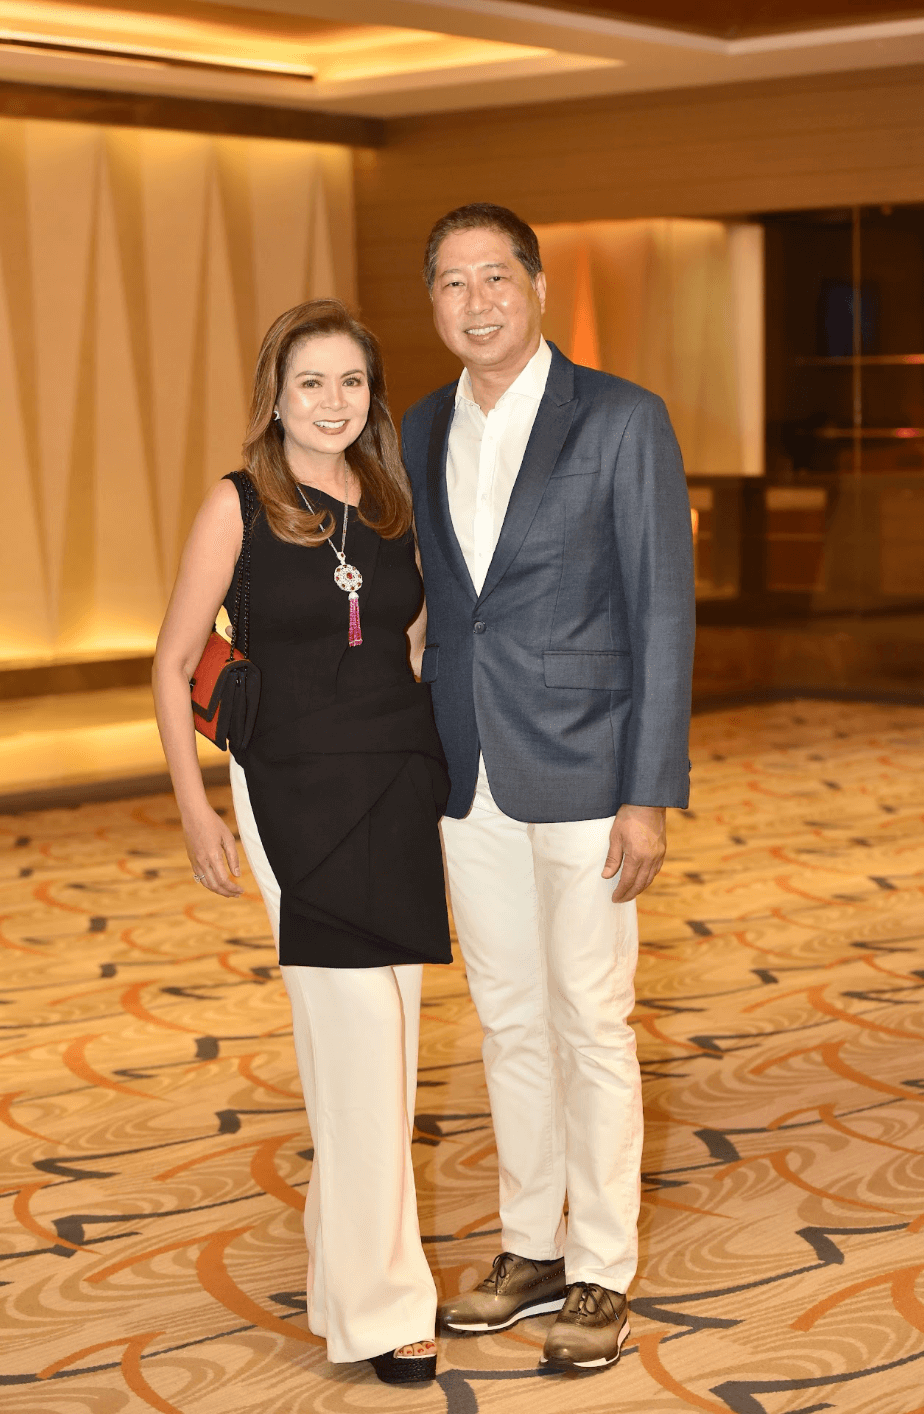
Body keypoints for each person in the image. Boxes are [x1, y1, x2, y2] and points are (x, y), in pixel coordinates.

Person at [400, 204, 695, 1374]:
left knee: (591, 1015)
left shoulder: (621, 418)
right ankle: (529, 1245)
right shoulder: (421, 425)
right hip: (464, 764)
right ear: (433, 304)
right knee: (508, 1015)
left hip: (589, 767)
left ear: (535, 284)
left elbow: (661, 607)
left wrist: (649, 788)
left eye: (494, 277)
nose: (476, 302)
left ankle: (601, 1269)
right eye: (451, 284)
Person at [153, 298, 452, 1386]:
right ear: (275, 394)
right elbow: (175, 659)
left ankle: (346, 1284)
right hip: (290, 796)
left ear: (372, 396)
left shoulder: (387, 501)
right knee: (361, 1040)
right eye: (311, 381)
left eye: (353, 382)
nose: (333, 401)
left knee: (385, 1051)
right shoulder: (236, 506)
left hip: (394, 786)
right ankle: (389, 1307)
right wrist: (197, 805)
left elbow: (410, 640)